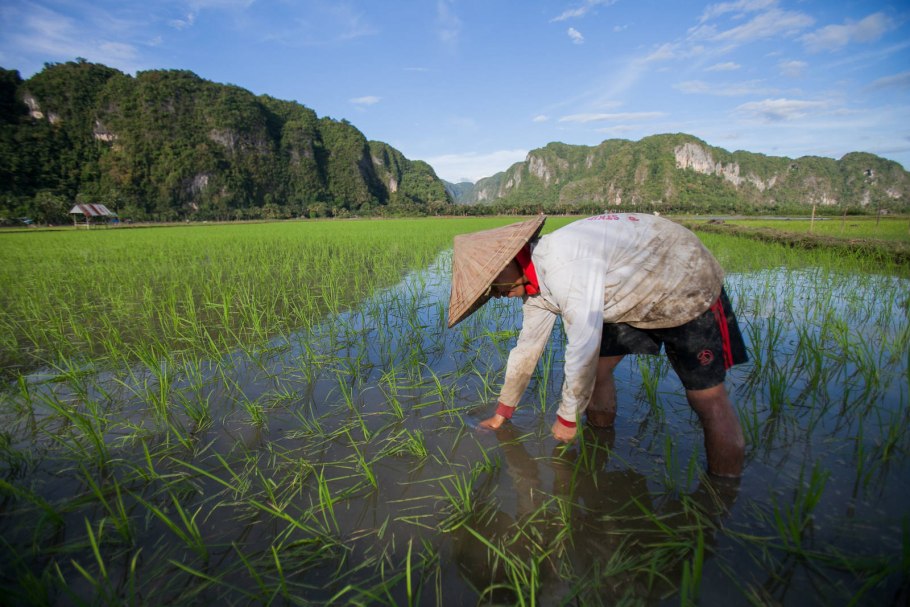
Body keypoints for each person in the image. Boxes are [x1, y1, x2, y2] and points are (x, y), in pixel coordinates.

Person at [447, 213, 748, 477]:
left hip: (685, 279)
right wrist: (502, 414)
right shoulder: (532, 287)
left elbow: (583, 345)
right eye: (489, 291)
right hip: (625, 292)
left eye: (493, 284)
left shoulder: (565, 266)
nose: (496, 294)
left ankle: (723, 494)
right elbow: (526, 349)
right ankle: (600, 450)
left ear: (510, 259)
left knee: (707, 398)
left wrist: (567, 418)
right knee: (598, 374)